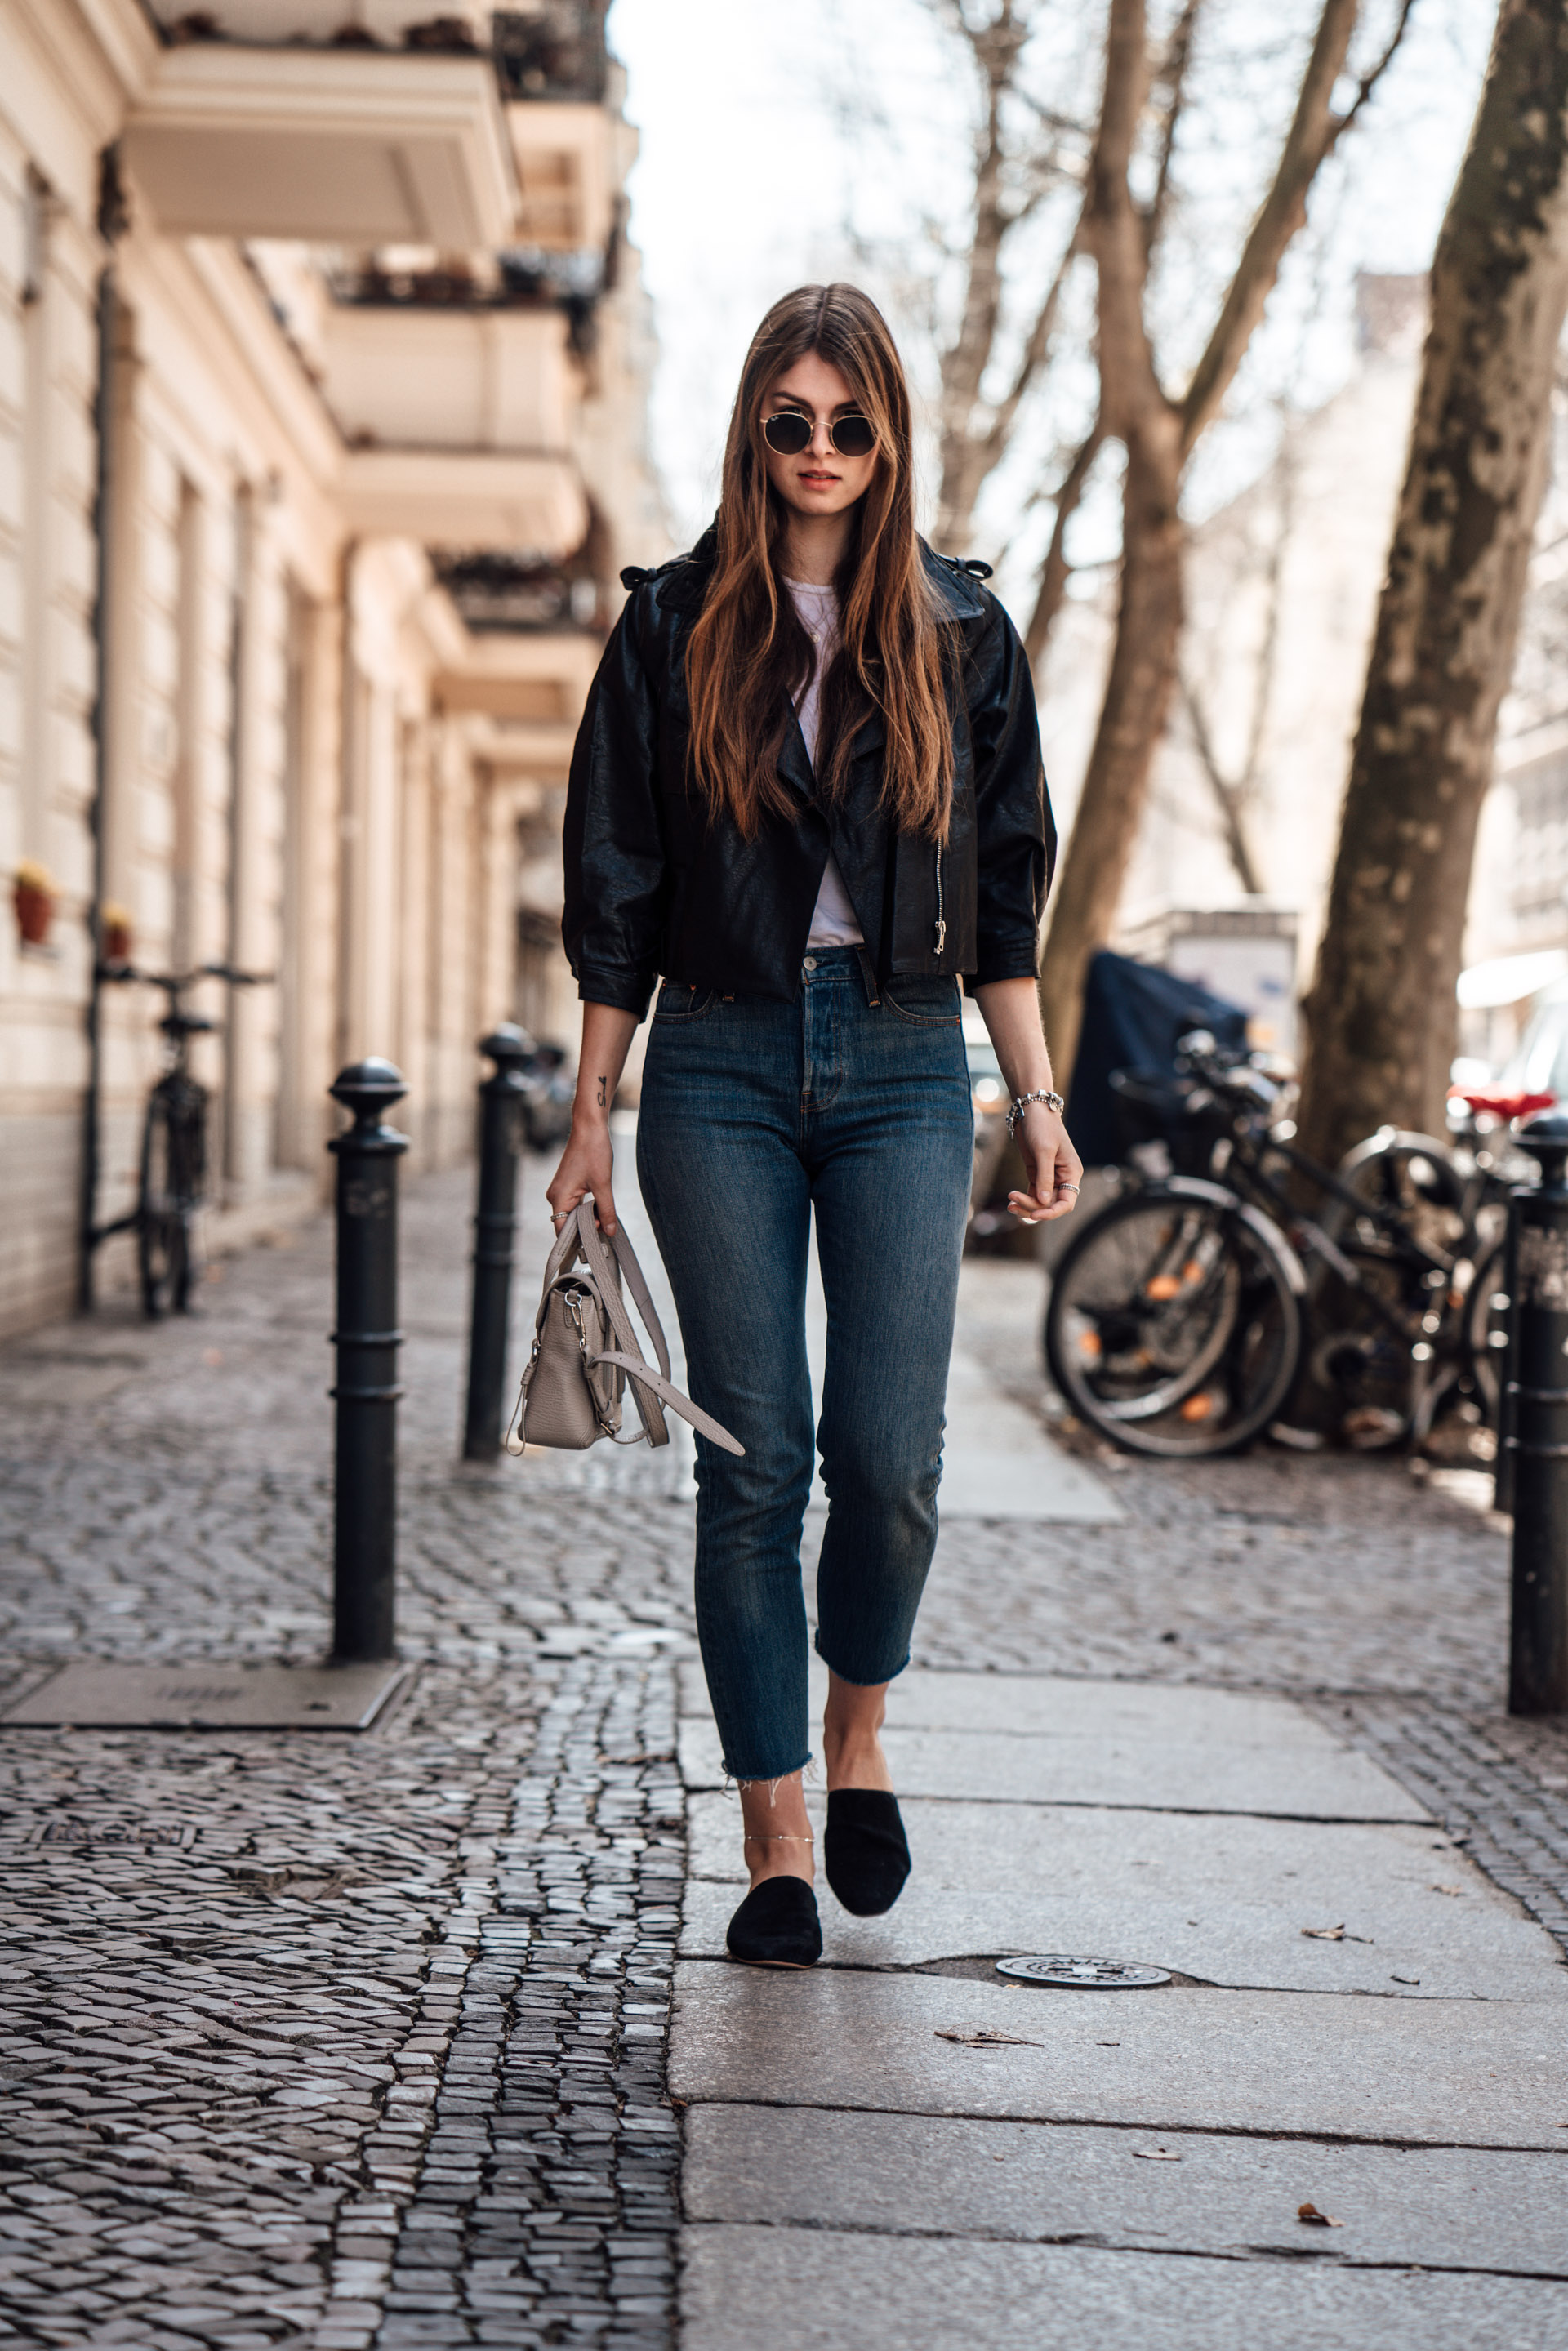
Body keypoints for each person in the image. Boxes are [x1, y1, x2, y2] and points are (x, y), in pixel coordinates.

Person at [547, 282, 1081, 1967]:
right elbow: (616, 879)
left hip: (910, 1064)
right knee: (754, 1462)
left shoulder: (964, 632)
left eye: (852, 423)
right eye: (793, 421)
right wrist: (587, 1113)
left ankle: (861, 1731)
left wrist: (1041, 1093)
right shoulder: (671, 622)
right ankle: (775, 1832)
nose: (825, 450)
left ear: (891, 436)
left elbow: (1007, 897)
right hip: (711, 1064)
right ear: (753, 433)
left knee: (895, 1463)